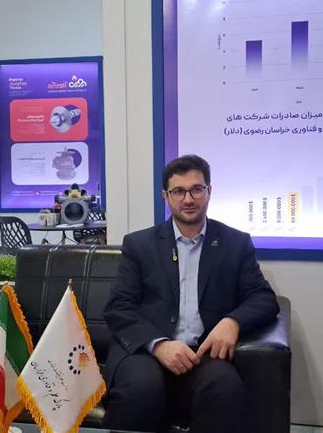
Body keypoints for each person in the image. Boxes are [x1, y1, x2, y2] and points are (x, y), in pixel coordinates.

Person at [102, 155, 280, 432]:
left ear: (209, 191)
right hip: (146, 353)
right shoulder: (139, 244)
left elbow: (263, 298)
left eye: (196, 189)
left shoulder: (235, 243)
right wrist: (159, 344)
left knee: (225, 390)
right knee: (140, 388)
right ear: (166, 196)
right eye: (178, 191)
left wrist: (233, 322)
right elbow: (119, 306)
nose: (188, 199)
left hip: (203, 356)